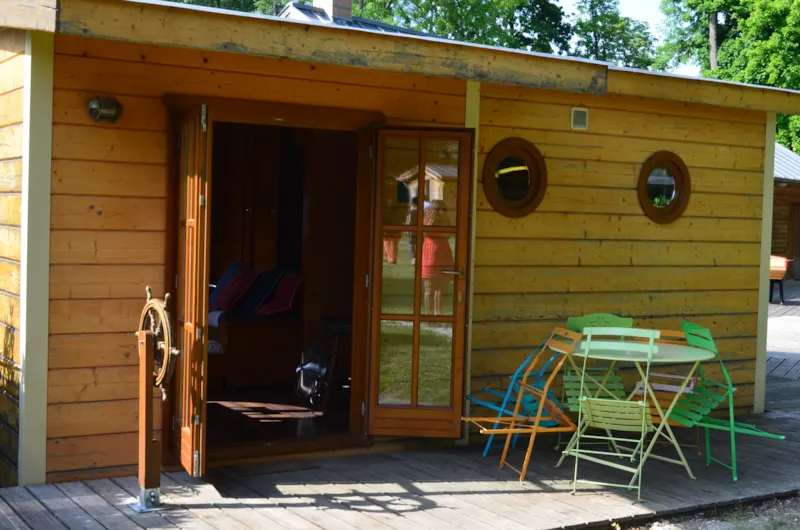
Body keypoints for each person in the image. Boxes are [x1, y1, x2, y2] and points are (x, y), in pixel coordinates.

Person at [421, 200, 454, 315]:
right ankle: (428, 315)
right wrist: (432, 220)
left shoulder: (446, 222)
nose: (439, 212)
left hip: (444, 258)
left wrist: (444, 219)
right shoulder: (426, 220)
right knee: (429, 290)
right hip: (430, 259)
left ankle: (438, 314)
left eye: (443, 210)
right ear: (431, 210)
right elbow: (425, 233)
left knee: (442, 290)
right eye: (436, 209)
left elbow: (448, 235)